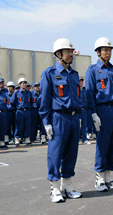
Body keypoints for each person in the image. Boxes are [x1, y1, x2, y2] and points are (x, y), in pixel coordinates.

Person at [39, 38, 82, 203]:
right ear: (59, 54)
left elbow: (78, 97)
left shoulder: (75, 74)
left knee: (71, 153)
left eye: (72, 52)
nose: (71, 55)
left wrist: (79, 116)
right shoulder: (49, 73)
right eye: (68, 52)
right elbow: (45, 100)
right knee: (55, 154)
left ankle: (67, 185)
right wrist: (46, 122)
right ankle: (55, 188)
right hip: (58, 117)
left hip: (73, 117)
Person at [85, 37, 113, 191]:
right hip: (103, 110)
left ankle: (109, 176)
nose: (108, 53)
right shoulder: (93, 70)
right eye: (105, 50)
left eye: (109, 50)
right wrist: (94, 114)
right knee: (103, 144)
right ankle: (100, 178)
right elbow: (89, 94)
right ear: (98, 52)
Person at [10, 78, 33, 146]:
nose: (24, 85)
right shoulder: (16, 93)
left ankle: (27, 139)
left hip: (27, 111)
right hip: (20, 111)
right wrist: (17, 107)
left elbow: (31, 102)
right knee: (19, 125)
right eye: (22, 83)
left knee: (28, 125)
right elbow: (12, 102)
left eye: (25, 83)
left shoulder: (29, 93)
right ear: (19, 85)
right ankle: (17, 138)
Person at [79, 77, 91, 145]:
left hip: (84, 110)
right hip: (78, 110)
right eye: (79, 81)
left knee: (84, 125)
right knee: (77, 126)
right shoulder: (75, 90)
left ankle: (84, 139)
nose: (81, 83)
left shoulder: (85, 90)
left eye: (81, 82)